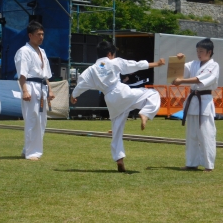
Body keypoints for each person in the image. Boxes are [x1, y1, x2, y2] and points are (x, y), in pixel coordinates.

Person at [71, 41, 165, 172]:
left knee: (117, 130)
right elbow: (135, 65)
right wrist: (156, 64)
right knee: (153, 94)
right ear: (110, 54)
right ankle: (145, 113)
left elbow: (81, 83)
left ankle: (119, 159)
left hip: (110, 99)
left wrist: (74, 95)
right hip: (121, 91)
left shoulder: (91, 70)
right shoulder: (114, 62)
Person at [172, 38, 219, 172]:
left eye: (202, 51)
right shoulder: (194, 64)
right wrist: (179, 59)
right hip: (193, 101)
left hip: (204, 101)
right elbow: (179, 70)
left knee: (206, 134)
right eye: (197, 51)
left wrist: (182, 81)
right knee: (192, 134)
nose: (199, 53)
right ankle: (192, 163)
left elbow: (200, 79)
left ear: (209, 52)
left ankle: (208, 165)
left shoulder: (213, 65)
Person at [14, 21, 55, 161]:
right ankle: (31, 152)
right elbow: (22, 74)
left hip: (42, 87)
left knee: (42, 121)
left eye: (43, 34)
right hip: (30, 86)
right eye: (38, 34)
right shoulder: (23, 51)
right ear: (30, 35)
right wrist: (24, 90)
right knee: (32, 119)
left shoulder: (42, 52)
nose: (41, 37)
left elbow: (45, 74)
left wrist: (50, 90)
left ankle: (28, 149)